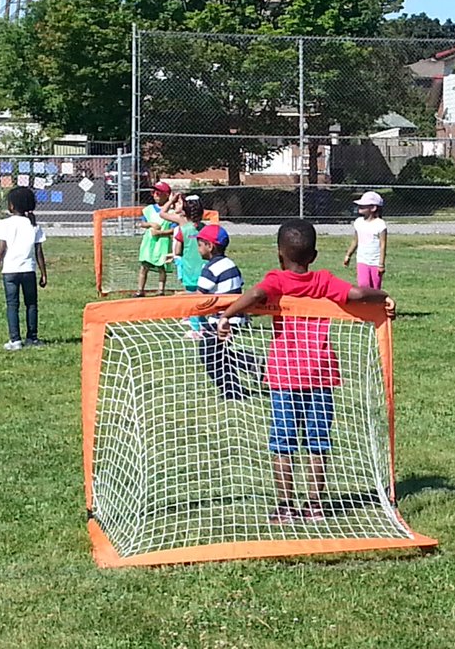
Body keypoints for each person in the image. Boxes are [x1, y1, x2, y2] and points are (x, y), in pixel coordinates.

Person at [217, 219, 397, 524]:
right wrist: (383, 295)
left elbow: (256, 295)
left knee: (282, 443)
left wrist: (227, 315)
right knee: (317, 442)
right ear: (313, 255)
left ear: (279, 255)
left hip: (285, 376)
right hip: (320, 374)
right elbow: (355, 293)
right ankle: (315, 505)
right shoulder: (323, 280)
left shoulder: (277, 280)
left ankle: (286, 506)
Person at [194, 224, 254, 398]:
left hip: (221, 320)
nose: (198, 249)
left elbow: (199, 297)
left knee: (209, 355)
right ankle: (250, 364)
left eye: (200, 244)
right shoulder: (230, 264)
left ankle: (231, 390)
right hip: (235, 318)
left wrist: (179, 302)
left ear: (210, 246)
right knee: (219, 353)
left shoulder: (210, 268)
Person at [0, 187, 47, 351]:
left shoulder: (4, 224)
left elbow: (1, 250)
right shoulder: (34, 225)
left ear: (11, 206)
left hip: (10, 271)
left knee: (12, 305)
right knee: (31, 304)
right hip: (29, 271)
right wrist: (43, 273)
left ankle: (15, 340)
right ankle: (32, 338)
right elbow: (39, 252)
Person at [162, 194, 208, 336]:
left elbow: (177, 251)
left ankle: (195, 330)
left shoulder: (183, 226)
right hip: (205, 270)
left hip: (189, 270)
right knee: (203, 300)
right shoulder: (205, 228)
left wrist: (171, 200)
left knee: (192, 300)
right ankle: (205, 326)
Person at [135, 181, 176, 297]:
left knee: (161, 267)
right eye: (154, 192)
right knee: (144, 266)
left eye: (158, 192)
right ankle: (140, 290)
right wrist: (150, 224)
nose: (155, 195)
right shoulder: (149, 209)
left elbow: (174, 229)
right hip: (149, 243)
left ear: (167, 195)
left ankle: (161, 290)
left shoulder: (172, 212)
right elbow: (142, 223)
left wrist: (161, 232)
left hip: (162, 243)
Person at [343, 191, 388, 289]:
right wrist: (348, 255)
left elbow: (382, 245)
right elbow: (355, 241)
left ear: (373, 208)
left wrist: (381, 264)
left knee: (375, 288)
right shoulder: (358, 222)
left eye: (363, 205)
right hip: (362, 260)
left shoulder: (380, 224)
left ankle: (376, 304)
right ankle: (364, 304)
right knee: (363, 286)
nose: (360, 207)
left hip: (375, 262)